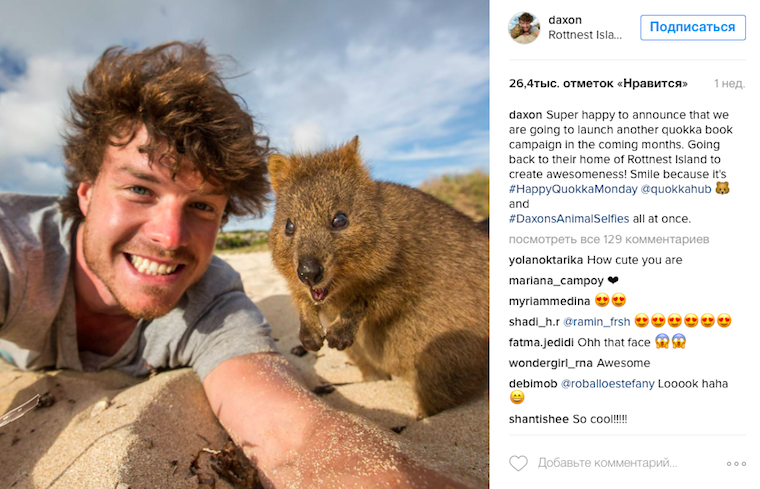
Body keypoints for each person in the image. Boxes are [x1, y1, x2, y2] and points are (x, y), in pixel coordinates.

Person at [0, 42, 480, 488]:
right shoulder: (16, 251)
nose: (169, 237)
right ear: (86, 194)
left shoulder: (212, 305)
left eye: (201, 206)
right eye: (140, 189)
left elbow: (292, 434)